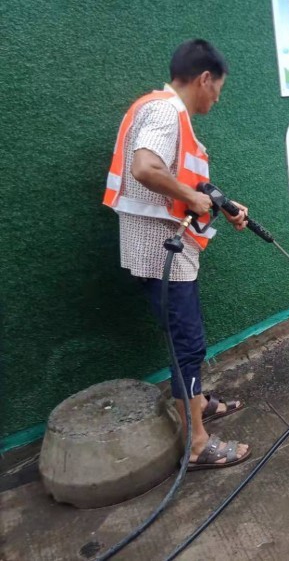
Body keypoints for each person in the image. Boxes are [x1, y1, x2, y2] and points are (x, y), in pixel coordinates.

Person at [103, 39, 252, 470]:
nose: (218, 98)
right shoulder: (166, 111)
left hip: (169, 247)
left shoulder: (172, 117)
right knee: (187, 343)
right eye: (218, 88)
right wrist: (191, 194)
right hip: (159, 251)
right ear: (204, 79)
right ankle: (198, 443)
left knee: (186, 339)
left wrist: (220, 203)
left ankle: (198, 403)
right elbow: (146, 168)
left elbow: (184, 182)